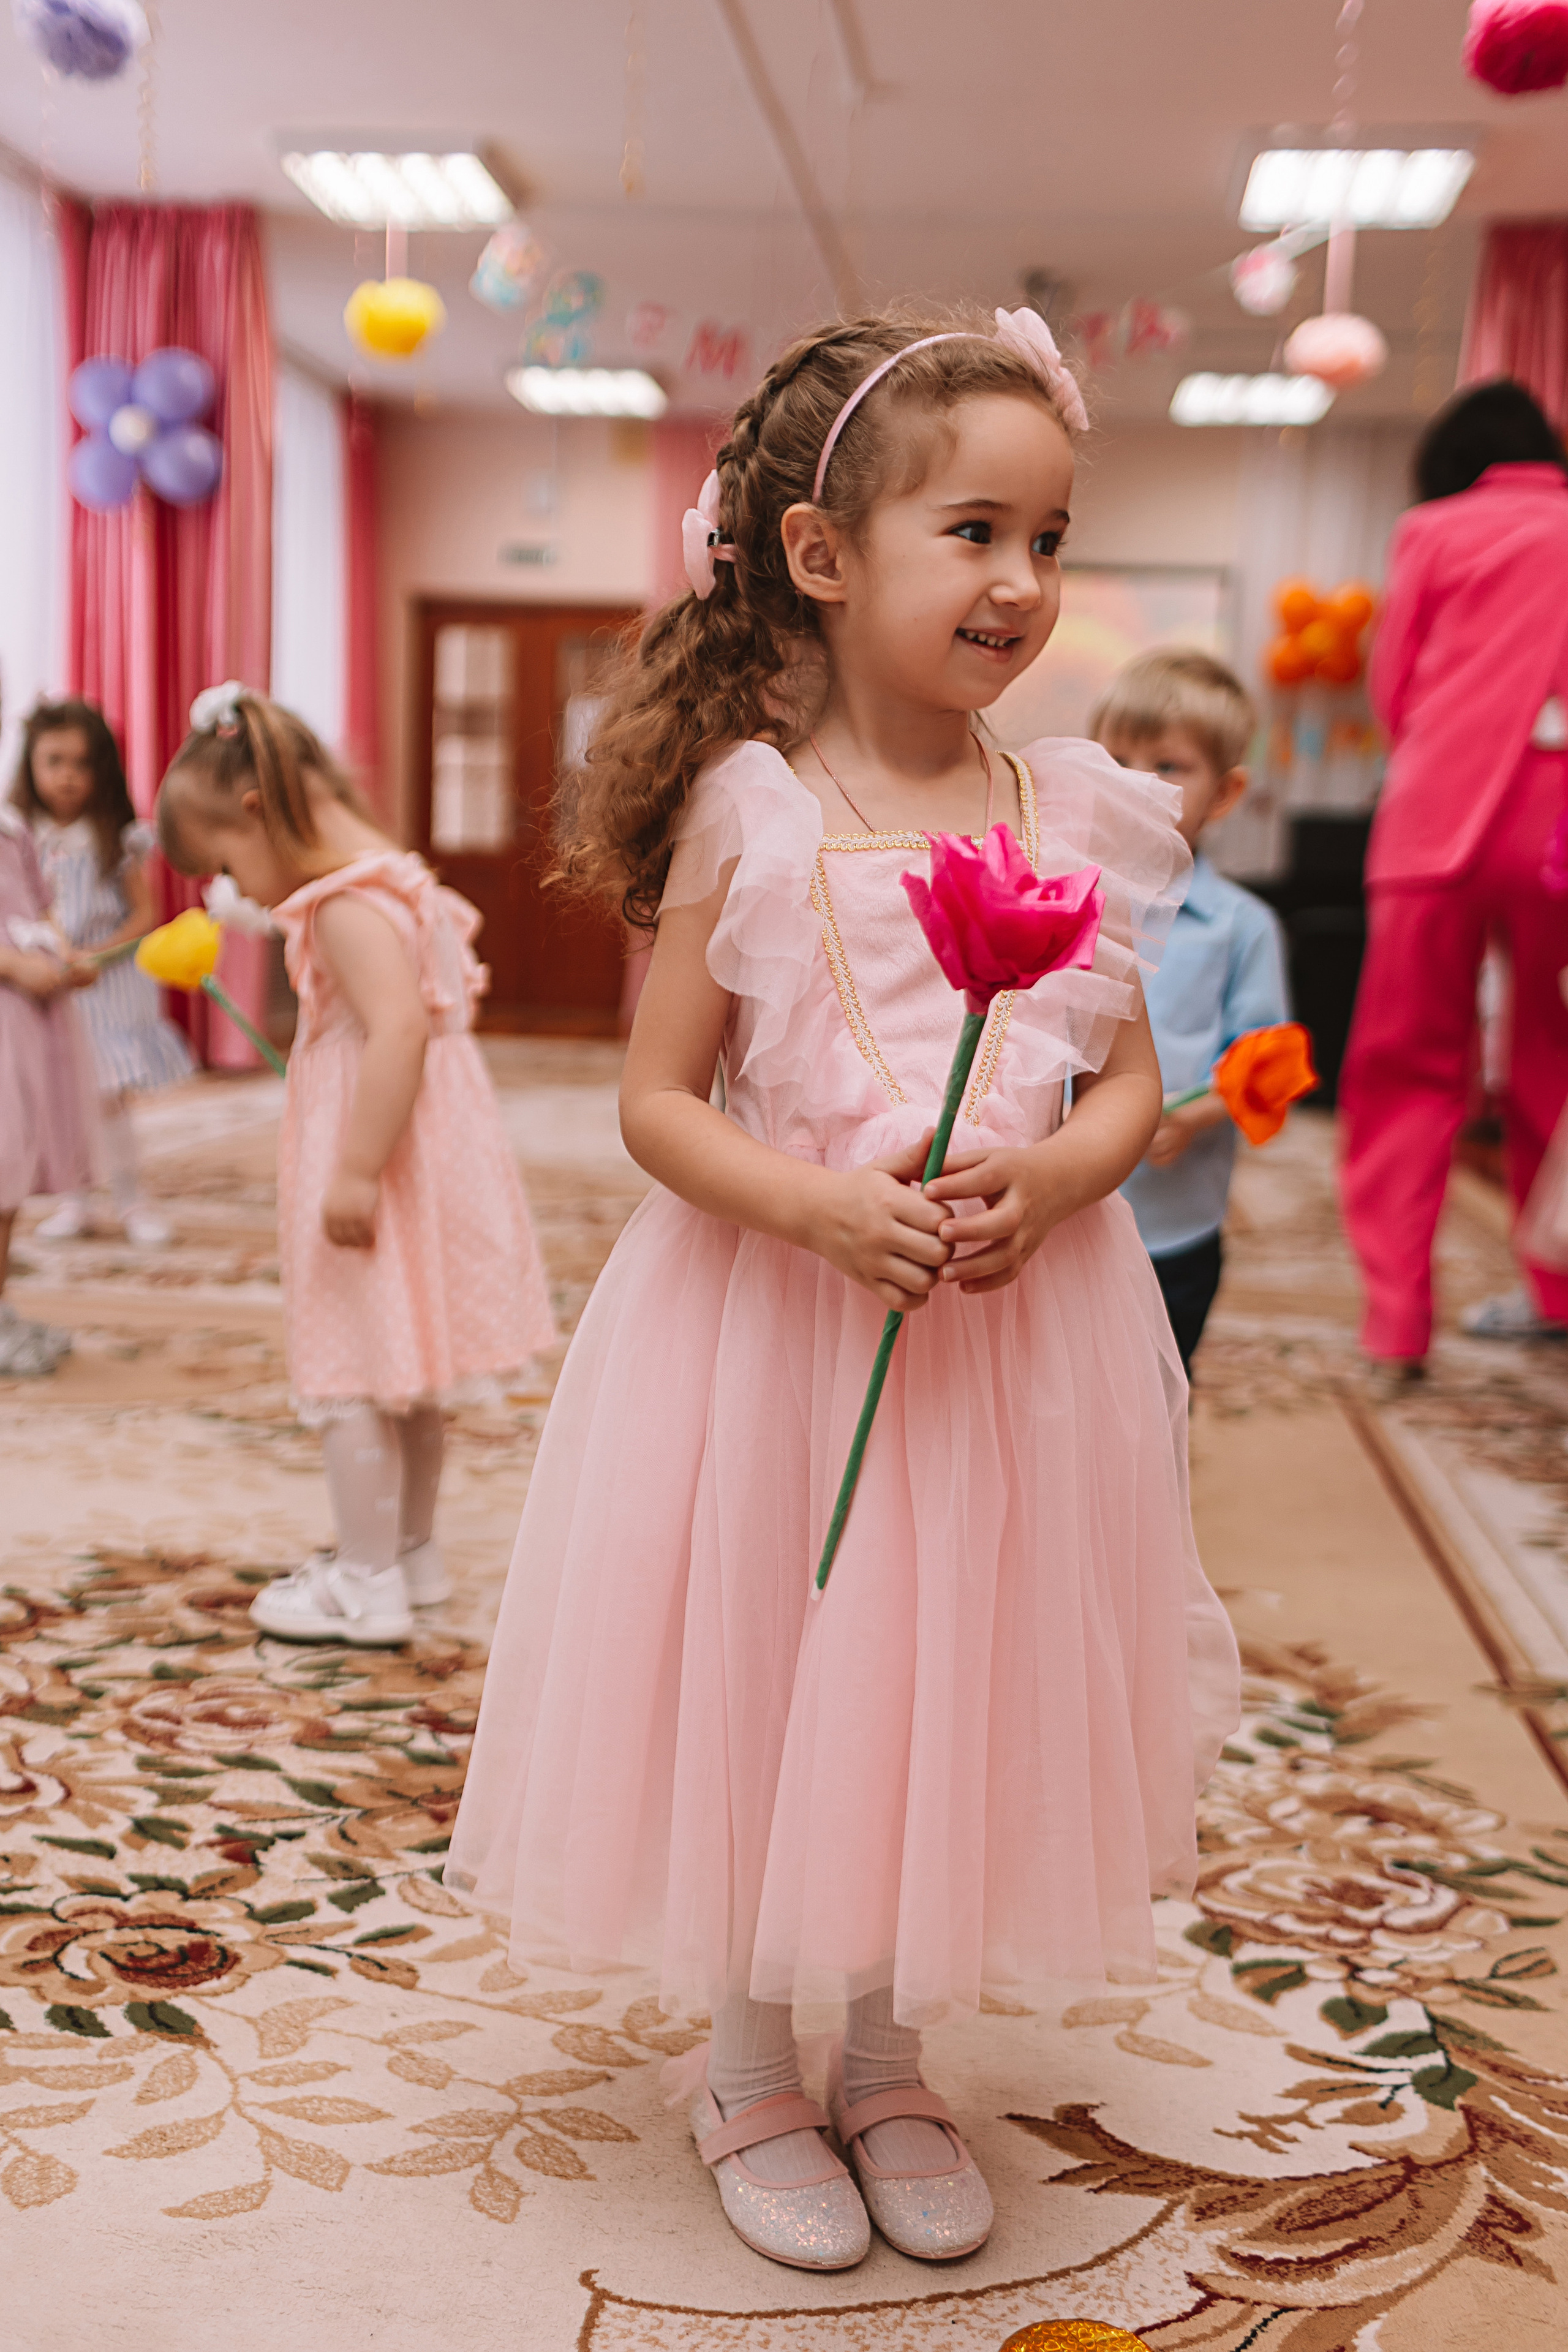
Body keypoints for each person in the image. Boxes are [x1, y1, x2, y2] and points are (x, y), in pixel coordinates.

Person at [447, 306, 1240, 2273]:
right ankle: (741, 2056)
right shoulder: (756, 808)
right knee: (772, 1663)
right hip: (780, 1327)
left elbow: (1130, 1082)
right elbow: (653, 1099)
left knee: (948, 1671)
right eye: (974, 532)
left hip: (1012, 1339)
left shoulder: (1076, 809)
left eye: (1048, 538)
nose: (1022, 584)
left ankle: (886, 2048)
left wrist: (1052, 1176)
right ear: (821, 554)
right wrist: (810, 1210)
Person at [155, 684, 556, 1644]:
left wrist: (356, 1171)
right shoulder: (394, 879)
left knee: (348, 1369)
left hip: (380, 1157)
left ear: (256, 813)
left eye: (224, 865)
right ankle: (409, 1554)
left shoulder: (343, 907)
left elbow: (400, 1031)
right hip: (424, 1158)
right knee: (405, 1369)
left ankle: (363, 1581)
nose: (235, 891)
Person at [1339, 379, 1568, 1380]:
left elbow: (1394, 683)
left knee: (1403, 1073)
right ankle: (1558, 1291)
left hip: (1438, 820)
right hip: (1561, 824)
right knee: (1553, 1063)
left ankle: (1396, 1324)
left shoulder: (1432, 529)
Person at [1090, 650, 1289, 1374]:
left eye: (1169, 766)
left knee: (1161, 1383)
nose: (1137, 780)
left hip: (1177, 1225)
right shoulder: (1065, 897)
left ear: (1225, 791)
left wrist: (1189, 1117)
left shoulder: (1240, 926)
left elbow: (1264, 1060)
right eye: (1116, 758)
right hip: (1068, 1218)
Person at [12, 697, 192, 1247]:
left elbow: (145, 914)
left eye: (82, 764)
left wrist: (98, 954)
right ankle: (77, 1201)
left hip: (106, 986)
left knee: (109, 1101)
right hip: (48, 988)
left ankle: (133, 1199)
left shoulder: (117, 836)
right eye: (55, 761)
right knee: (62, 1099)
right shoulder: (18, 835)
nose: (68, 776)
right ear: (31, 764)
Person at [0, 796, 96, 1376]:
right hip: (9, 996)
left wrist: (65, 957)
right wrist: (12, 967)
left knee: (9, 1172)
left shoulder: (13, 828)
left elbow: (40, 909)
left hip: (26, 1019)